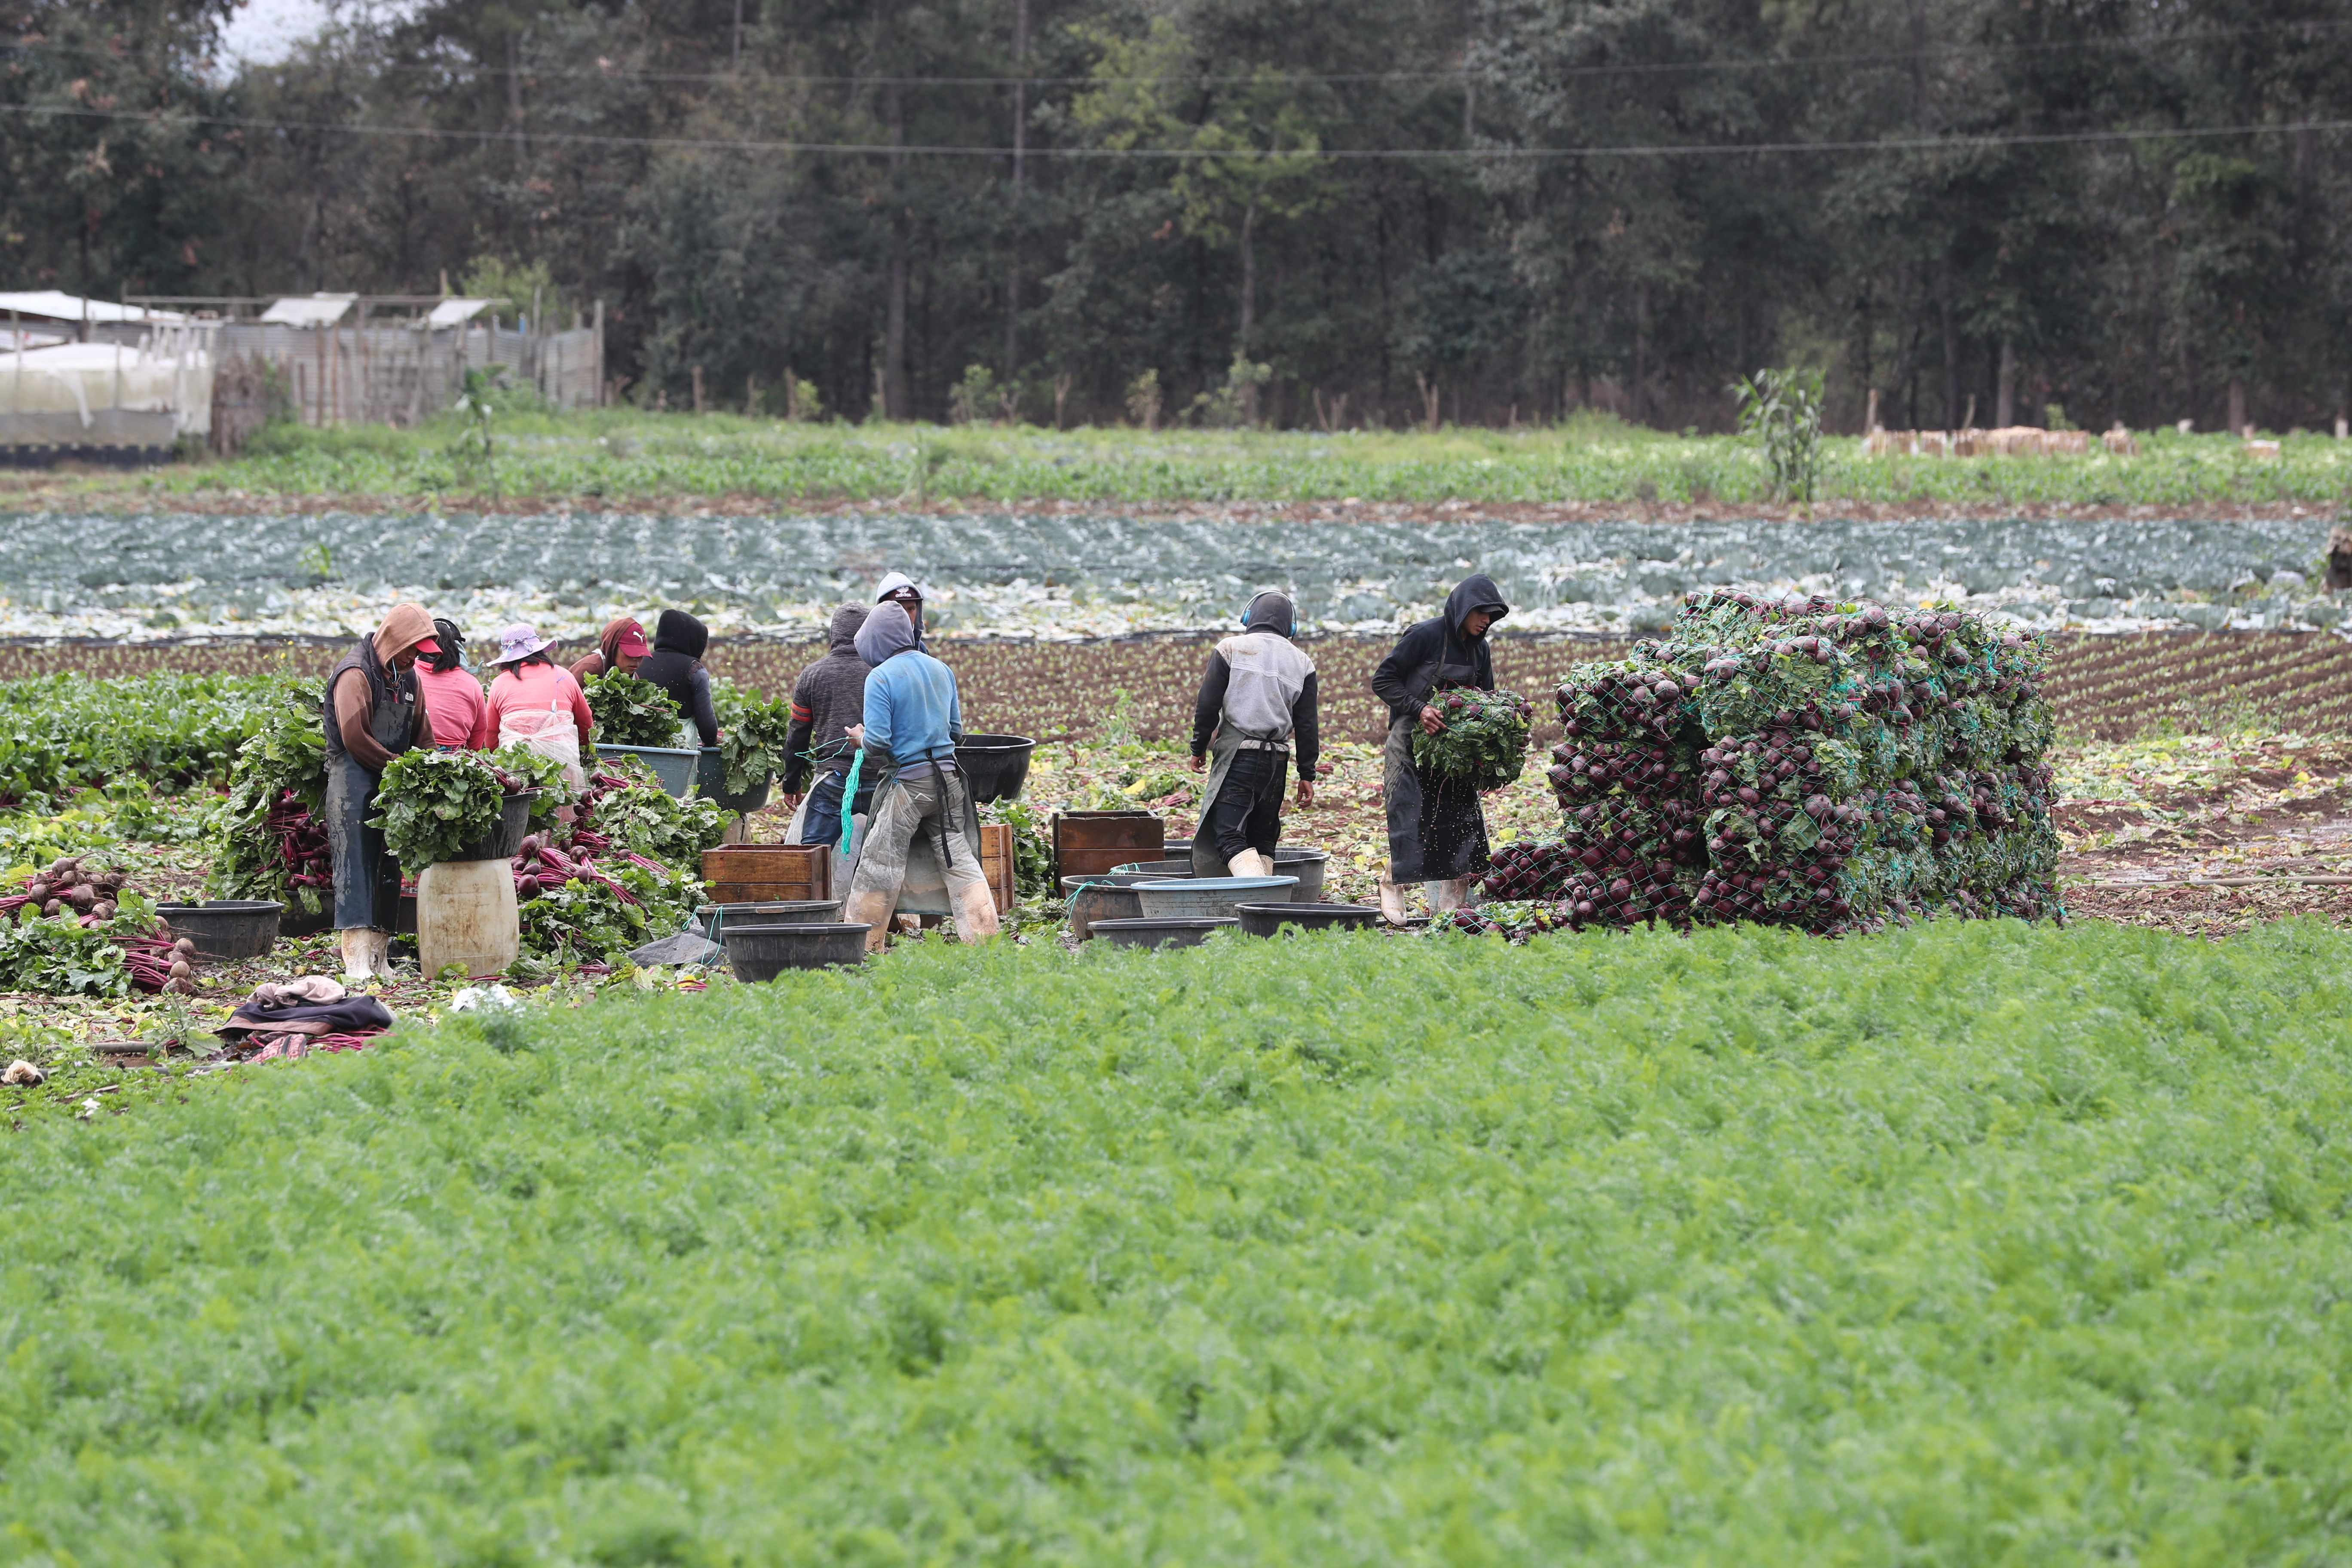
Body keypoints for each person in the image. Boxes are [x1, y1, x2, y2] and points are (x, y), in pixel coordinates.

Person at [839, 602, 999, 953]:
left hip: (909, 788)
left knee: (879, 867)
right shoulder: (941, 669)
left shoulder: (880, 677)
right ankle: (986, 942)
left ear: (875, 640)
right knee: (960, 861)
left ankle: (862, 947)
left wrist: (859, 738)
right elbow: (956, 732)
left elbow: (879, 743)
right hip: (948, 781)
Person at [1370, 573, 1510, 924]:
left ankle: (1451, 908)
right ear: (1463, 608)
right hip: (1411, 739)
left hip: (1455, 749)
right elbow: (1383, 679)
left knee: (1460, 821)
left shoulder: (1481, 648)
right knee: (1411, 815)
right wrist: (1420, 709)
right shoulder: (1426, 635)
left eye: (1492, 616)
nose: (1486, 621)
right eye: (1481, 613)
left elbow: (1486, 699)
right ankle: (1391, 883)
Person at [324, 602, 433, 982]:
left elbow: (423, 734)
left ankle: (380, 957)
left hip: (393, 782)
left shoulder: (409, 679)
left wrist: (427, 767)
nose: (414, 657)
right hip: (353, 780)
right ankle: (355, 960)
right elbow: (355, 737)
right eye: (411, 649)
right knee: (356, 864)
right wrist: (395, 764)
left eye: (419, 652)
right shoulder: (356, 673)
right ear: (393, 640)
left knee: (389, 866)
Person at [1186, 590, 1319, 878]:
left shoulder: (1231, 648)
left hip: (1240, 757)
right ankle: (1268, 909)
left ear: (1248, 618)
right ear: (1290, 628)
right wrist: (1307, 774)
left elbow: (1208, 705)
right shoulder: (1302, 662)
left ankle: (1258, 898)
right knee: (1263, 838)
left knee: (1229, 836)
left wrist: (1198, 747)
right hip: (1278, 762)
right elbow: (1307, 725)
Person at [781, 605, 873, 844]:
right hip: (880, 778)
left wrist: (791, 783)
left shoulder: (813, 675)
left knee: (813, 856)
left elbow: (797, 736)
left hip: (833, 779)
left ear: (833, 636)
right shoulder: (883, 672)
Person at [485, 623, 597, 802]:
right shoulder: (564, 676)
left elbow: (491, 734)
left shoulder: (499, 683)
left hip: (516, 769)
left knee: (522, 814)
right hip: (562, 765)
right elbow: (586, 723)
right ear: (540, 651)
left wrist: (495, 763)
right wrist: (583, 750)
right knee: (564, 816)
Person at [637, 609, 721, 747]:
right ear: (693, 642)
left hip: (637, 747)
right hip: (677, 750)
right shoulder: (694, 669)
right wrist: (711, 740)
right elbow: (707, 727)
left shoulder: (640, 662)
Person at [413, 618, 493, 750]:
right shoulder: (472, 683)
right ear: (456, 649)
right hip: (456, 759)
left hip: (413, 753)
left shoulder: (407, 674)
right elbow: (479, 731)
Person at [568, 617, 650, 682]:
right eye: (631, 653)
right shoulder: (590, 670)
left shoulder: (633, 678)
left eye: (640, 655)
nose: (636, 660)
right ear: (613, 648)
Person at [874, 572, 928, 647]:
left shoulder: (921, 648)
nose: (906, 615)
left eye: (911, 609)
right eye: (898, 609)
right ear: (881, 611)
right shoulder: (872, 650)